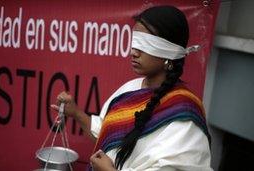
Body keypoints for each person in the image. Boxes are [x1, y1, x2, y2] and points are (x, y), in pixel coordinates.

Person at [51, 5, 212, 171]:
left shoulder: (184, 116)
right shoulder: (129, 90)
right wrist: (76, 113)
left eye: (145, 44)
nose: (134, 52)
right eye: (135, 42)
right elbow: (105, 138)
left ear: (169, 51)